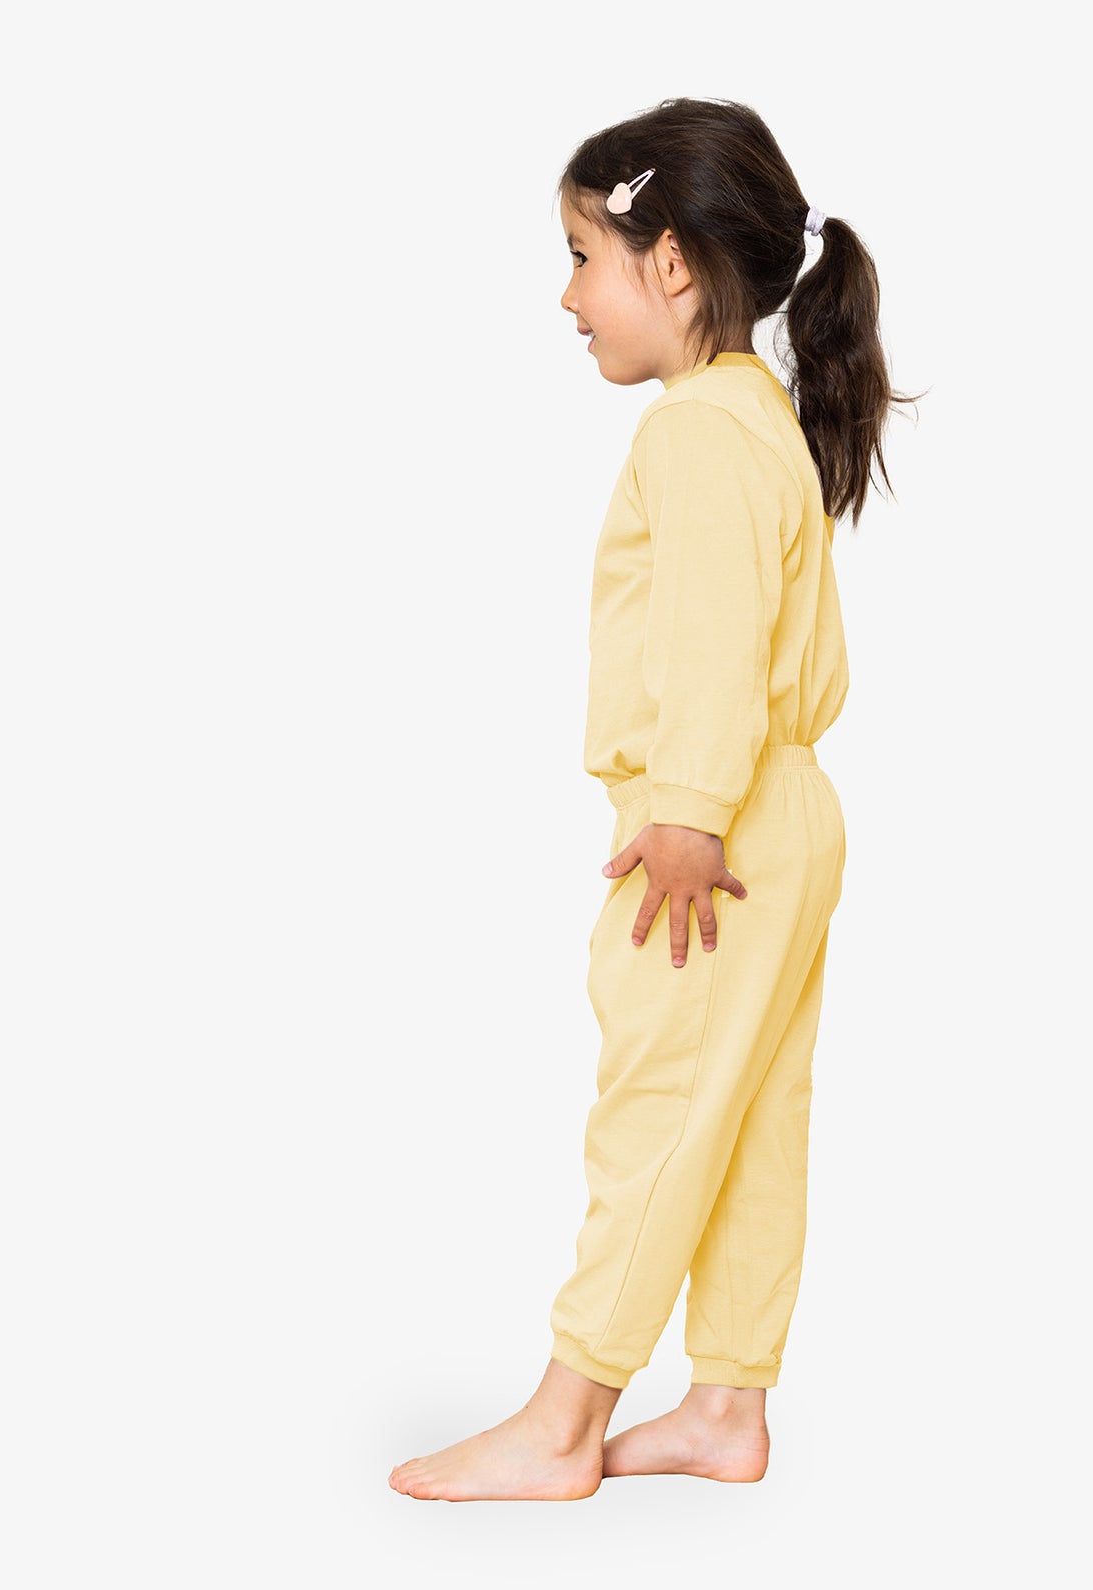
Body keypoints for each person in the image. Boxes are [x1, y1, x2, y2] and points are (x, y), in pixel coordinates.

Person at [390, 95, 918, 1502]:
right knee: (749, 1113)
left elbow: (709, 637)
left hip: (716, 827)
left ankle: (568, 1419)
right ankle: (728, 1402)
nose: (567, 296)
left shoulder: (695, 433)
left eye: (582, 256)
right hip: (782, 812)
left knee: (663, 1099)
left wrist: (682, 814)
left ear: (670, 262)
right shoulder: (753, 418)